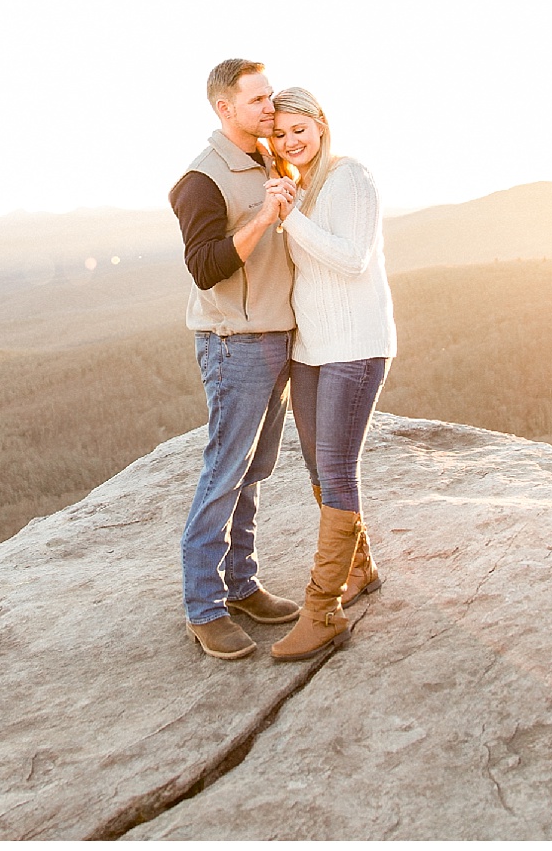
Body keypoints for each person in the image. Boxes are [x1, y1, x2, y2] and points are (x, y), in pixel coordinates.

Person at [167, 59, 304, 660]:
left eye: (271, 96)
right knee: (225, 471)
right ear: (225, 109)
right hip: (235, 344)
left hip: (278, 337)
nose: (269, 108)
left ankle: (242, 585)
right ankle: (204, 606)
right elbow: (206, 267)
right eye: (258, 100)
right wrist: (262, 217)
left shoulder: (267, 159)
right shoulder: (201, 181)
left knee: (254, 472)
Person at [263, 86, 398, 662]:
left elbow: (351, 259)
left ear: (321, 123)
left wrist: (290, 216)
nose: (293, 140)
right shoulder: (303, 182)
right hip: (311, 349)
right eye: (282, 133)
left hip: (355, 346)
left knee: (339, 468)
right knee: (319, 465)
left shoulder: (350, 177)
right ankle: (360, 567)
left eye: (301, 128)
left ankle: (322, 611)